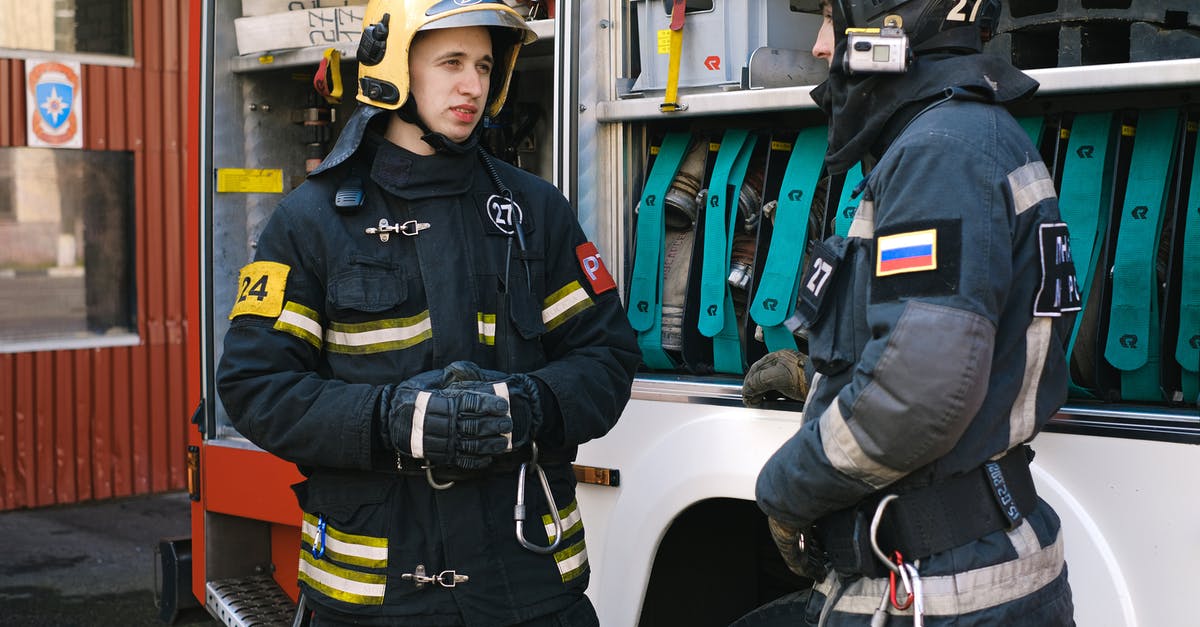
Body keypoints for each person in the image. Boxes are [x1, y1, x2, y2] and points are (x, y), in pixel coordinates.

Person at [216, 1, 640, 625]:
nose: (474, 85)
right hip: (377, 600)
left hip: (526, 590)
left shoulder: (534, 211)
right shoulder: (311, 222)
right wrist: (390, 421)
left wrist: (530, 404)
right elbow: (256, 387)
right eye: (451, 63)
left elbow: (607, 359)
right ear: (394, 66)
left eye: (485, 66)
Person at [737, 0, 1079, 624]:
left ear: (892, 24)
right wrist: (826, 377)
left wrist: (784, 494)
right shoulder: (963, 138)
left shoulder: (941, 153)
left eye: (828, 21)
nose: (819, 48)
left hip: (938, 591)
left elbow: (918, 395)